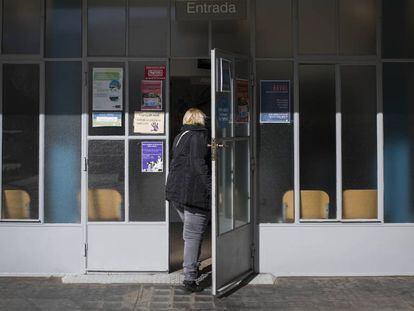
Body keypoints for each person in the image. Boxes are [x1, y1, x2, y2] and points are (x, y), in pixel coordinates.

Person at [166, 108, 211, 293]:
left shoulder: (180, 136)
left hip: (176, 192)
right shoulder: (198, 136)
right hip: (193, 194)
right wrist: (212, 188)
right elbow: (198, 164)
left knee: (192, 233)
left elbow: (176, 161)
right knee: (193, 235)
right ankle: (190, 277)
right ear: (201, 120)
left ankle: (192, 264)